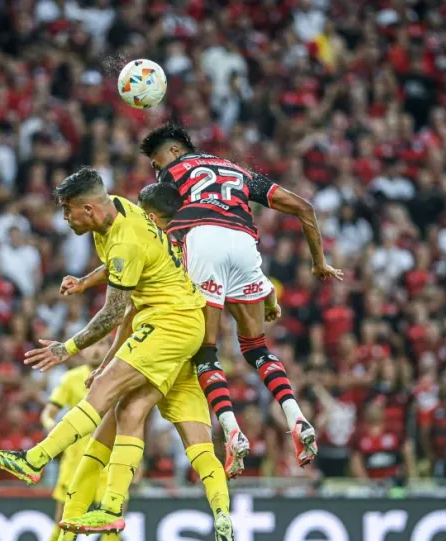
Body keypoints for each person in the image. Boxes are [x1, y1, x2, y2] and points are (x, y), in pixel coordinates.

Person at [0, 167, 237, 541]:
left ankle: (36, 459)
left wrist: (68, 349)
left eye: (68, 212)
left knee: (101, 398)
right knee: (137, 416)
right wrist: (86, 282)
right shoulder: (119, 208)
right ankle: (216, 513)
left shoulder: (126, 241)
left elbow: (116, 312)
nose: (65, 220)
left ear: (87, 208)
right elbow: (124, 285)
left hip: (167, 325)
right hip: (185, 330)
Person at [138, 124, 341, 473]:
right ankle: (296, 415)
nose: (158, 172)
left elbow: (156, 222)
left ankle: (232, 432)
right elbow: (304, 208)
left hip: (202, 239)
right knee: (256, 347)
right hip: (245, 243)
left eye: (157, 163)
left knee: (205, 350)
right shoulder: (239, 172)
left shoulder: (172, 173)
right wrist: (319, 263)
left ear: (172, 152)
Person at [32, 341, 129, 541]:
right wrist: (56, 432)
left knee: (114, 523)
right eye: (93, 345)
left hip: (112, 462)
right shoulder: (71, 379)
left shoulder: (120, 375)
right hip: (76, 463)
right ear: (83, 350)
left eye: (102, 344)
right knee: (64, 525)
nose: (97, 350)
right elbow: (47, 414)